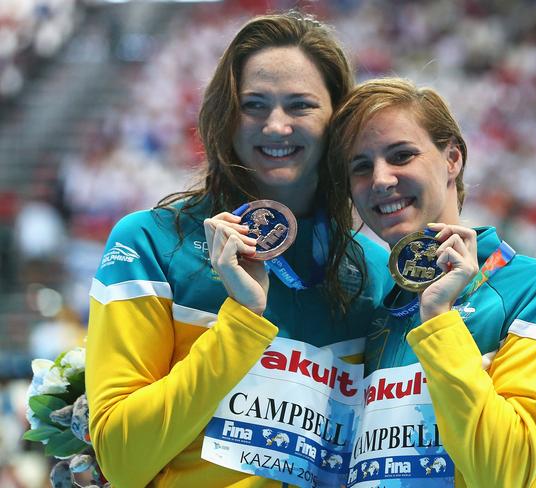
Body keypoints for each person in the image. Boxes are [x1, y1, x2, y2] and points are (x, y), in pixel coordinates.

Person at [85, 12, 392, 487]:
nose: (275, 126)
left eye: (300, 106)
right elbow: (123, 460)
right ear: (225, 116)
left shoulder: (374, 274)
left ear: (338, 122)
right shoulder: (150, 244)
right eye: (253, 105)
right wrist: (241, 323)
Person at [324, 78, 536, 487]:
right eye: (361, 166)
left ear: (452, 158)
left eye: (401, 155)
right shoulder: (378, 316)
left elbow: (506, 471)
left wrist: (439, 321)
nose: (381, 179)